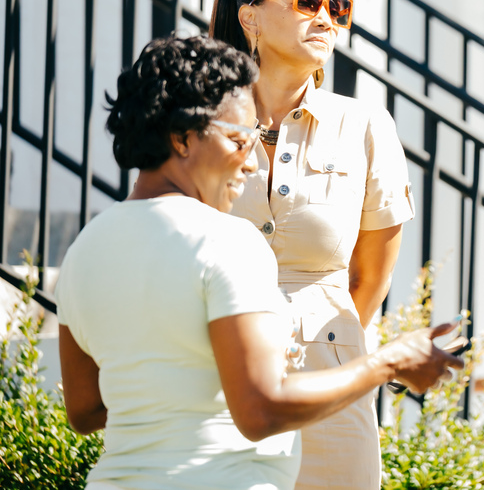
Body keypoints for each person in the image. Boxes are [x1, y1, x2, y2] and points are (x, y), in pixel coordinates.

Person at [56, 35, 462, 490]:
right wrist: (387, 362)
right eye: (237, 139)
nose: (250, 162)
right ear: (182, 138)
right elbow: (261, 410)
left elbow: (85, 409)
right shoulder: (228, 240)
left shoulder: (85, 249)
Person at [209, 0, 414, 489]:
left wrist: (324, 347)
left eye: (338, 7)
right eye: (308, 0)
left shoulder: (367, 124)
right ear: (251, 15)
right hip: (215, 373)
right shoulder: (203, 121)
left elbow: (370, 278)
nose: (326, 17)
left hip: (328, 383)